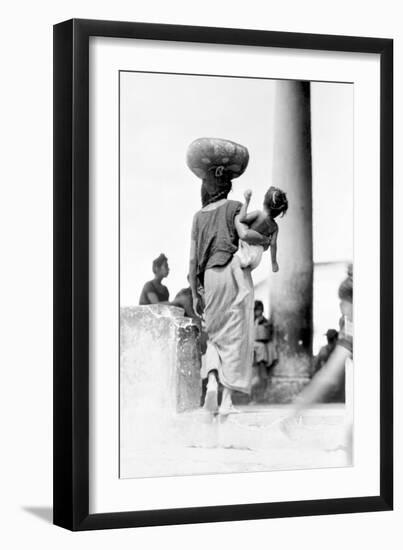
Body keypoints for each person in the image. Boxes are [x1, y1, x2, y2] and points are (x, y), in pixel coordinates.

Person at [187, 138, 270, 416]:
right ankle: (227, 401)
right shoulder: (234, 207)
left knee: (214, 337)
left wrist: (194, 292)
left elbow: (192, 260)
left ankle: (211, 382)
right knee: (235, 337)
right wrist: (266, 240)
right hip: (231, 275)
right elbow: (245, 234)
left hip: (208, 278)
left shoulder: (198, 216)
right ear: (226, 186)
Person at [281, 266, 353, 452]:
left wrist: (297, 409)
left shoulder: (351, 329)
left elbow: (328, 376)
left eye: (343, 302)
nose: (341, 307)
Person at [236, 187, 288, 272]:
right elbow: (273, 244)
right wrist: (274, 263)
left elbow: (242, 219)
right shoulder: (274, 227)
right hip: (257, 255)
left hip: (245, 249)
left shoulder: (258, 214)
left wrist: (247, 201)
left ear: (264, 202)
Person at [250, 300, 278, 404]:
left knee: (262, 376)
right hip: (253, 350)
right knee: (254, 377)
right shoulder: (250, 321)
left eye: (259, 310)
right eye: (256, 310)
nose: (258, 312)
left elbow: (268, 335)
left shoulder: (265, 322)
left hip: (263, 351)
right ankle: (254, 398)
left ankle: (262, 397)